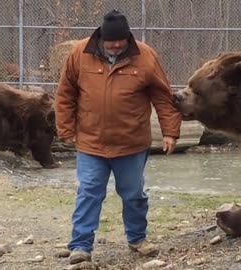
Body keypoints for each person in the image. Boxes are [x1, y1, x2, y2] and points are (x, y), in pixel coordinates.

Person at [55, 9, 182, 265]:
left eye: (119, 41)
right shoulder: (80, 53)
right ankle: (80, 245)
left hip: (131, 143)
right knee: (89, 191)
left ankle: (137, 238)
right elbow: (65, 94)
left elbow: (162, 97)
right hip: (91, 142)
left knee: (133, 193)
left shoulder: (145, 56)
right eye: (110, 41)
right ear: (101, 37)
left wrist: (170, 132)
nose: (115, 46)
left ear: (128, 39)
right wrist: (66, 128)